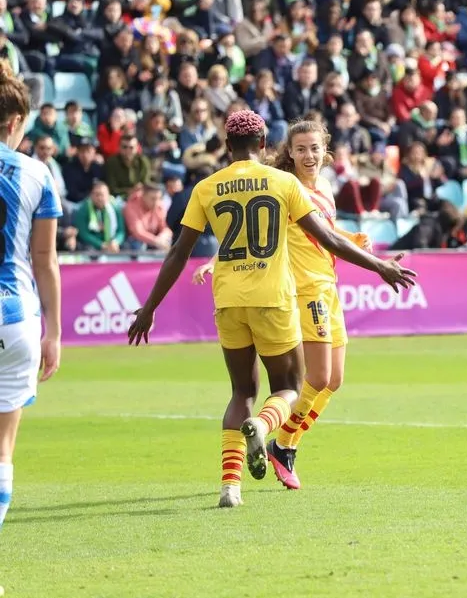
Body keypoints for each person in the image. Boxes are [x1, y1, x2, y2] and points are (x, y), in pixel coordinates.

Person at [126, 111, 416, 508]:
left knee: (242, 391)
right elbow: (325, 238)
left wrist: (149, 308)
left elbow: (178, 252)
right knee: (289, 387)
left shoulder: (206, 187)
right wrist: (380, 266)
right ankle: (268, 430)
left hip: (228, 300)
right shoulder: (283, 183)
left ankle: (230, 487)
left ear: (227, 146)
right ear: (265, 144)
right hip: (276, 298)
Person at [0, 60, 63, 541]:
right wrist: (54, 332)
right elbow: (45, 260)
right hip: (14, 318)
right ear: (17, 121)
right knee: (3, 446)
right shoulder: (37, 173)